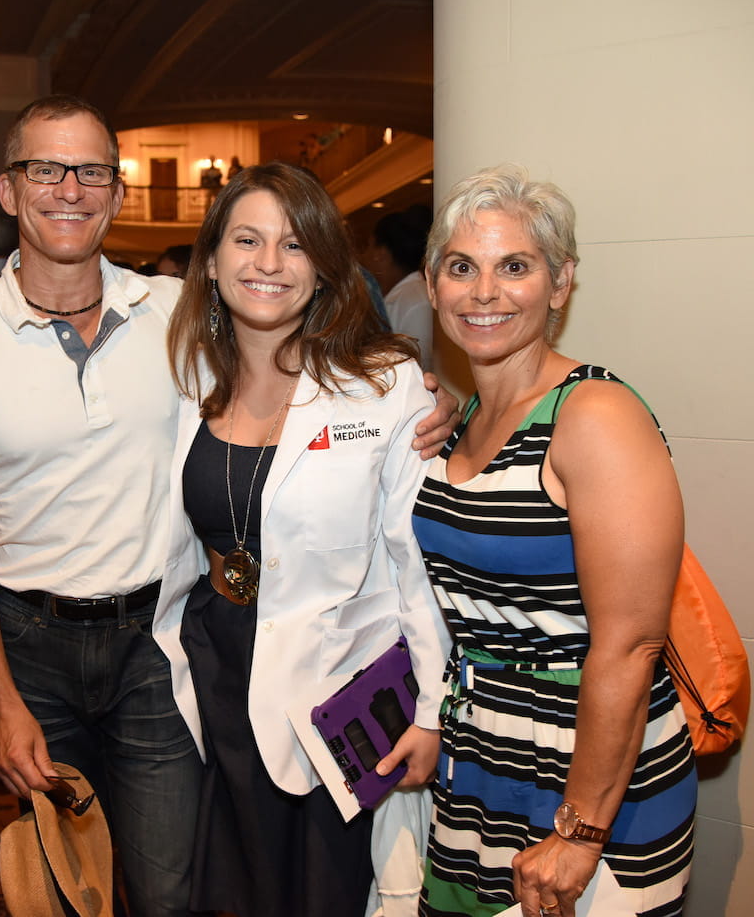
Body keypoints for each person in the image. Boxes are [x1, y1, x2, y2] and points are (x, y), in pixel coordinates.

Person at [0, 94, 460, 917]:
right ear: (11, 188)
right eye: (45, 169)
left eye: (91, 170)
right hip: (37, 643)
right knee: (62, 886)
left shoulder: (169, 316)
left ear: (117, 192)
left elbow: (355, 419)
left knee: (180, 887)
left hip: (158, 651)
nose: (69, 188)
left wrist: (436, 397)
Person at [154, 162, 451, 917]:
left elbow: (412, 558)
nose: (268, 264)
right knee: (235, 883)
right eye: (247, 240)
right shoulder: (184, 375)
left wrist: (429, 709)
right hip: (216, 658)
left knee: (323, 889)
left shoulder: (384, 384)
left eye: (294, 245)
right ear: (213, 258)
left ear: (323, 264)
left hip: (335, 683)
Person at [412, 165, 695, 917]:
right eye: (461, 267)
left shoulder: (594, 415)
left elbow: (632, 644)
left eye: (516, 266)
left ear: (561, 283)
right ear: (432, 284)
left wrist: (581, 829)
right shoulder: (459, 420)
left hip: (590, 772)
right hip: (482, 760)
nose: (484, 292)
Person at [368, 206, 434, 371]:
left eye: (369, 246)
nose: (365, 255)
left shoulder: (417, 301)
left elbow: (420, 367)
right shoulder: (402, 296)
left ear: (381, 253)